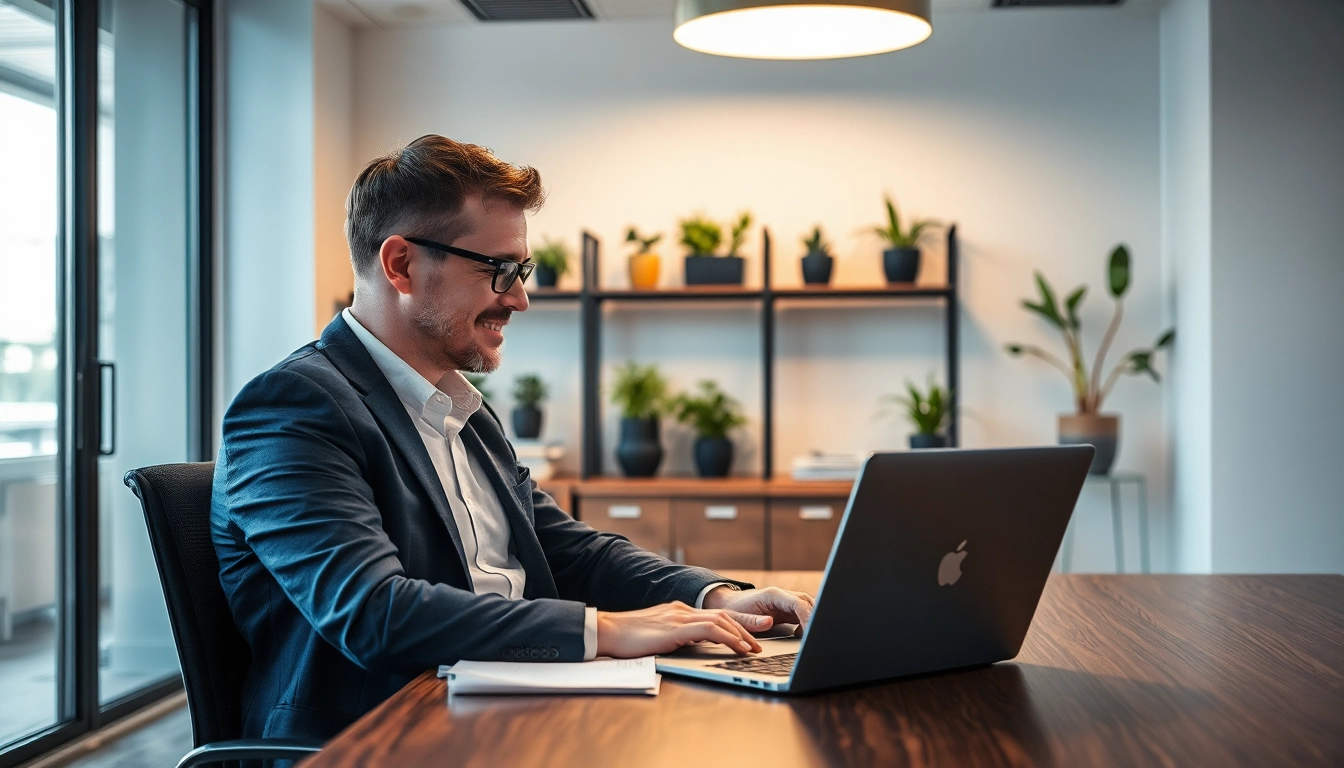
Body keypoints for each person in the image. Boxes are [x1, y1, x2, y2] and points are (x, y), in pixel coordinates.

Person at [212, 134, 815, 742]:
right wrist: (605, 629)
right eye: (499, 271)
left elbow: (565, 549)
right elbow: (373, 614)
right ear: (401, 265)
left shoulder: (461, 409)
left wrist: (711, 597)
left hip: (502, 707)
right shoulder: (293, 407)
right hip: (379, 736)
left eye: (520, 271)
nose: (520, 298)